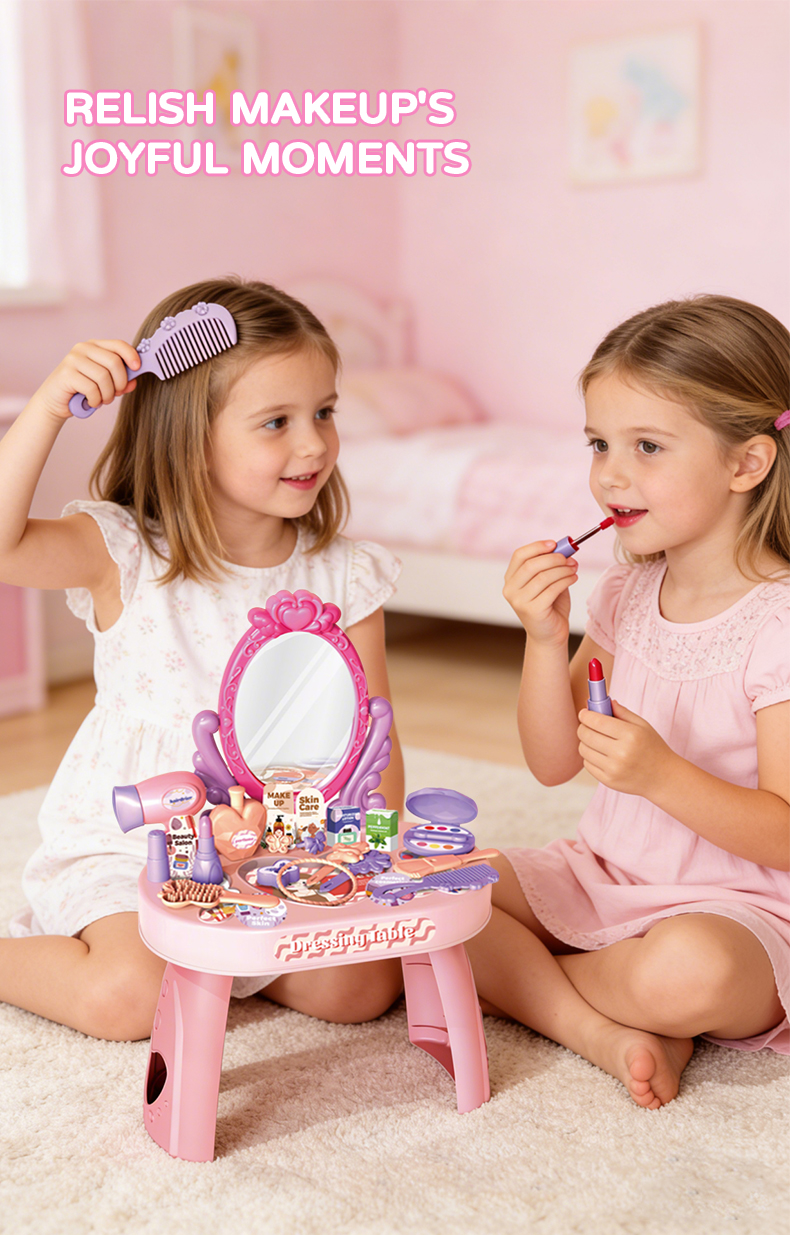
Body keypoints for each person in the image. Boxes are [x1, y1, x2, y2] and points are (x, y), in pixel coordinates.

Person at [0, 277, 405, 1040]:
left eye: (324, 412)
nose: (314, 443)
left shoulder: (347, 574)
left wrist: (359, 849)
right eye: (276, 422)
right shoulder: (122, 551)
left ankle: (221, 954)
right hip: (134, 847)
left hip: (282, 836)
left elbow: (372, 741)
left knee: (360, 985)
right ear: (190, 433)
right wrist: (51, 404)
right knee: (130, 996)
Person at [465, 295, 790, 1109]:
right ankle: (602, 1027)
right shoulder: (628, 590)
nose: (610, 474)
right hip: (605, 874)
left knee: (690, 973)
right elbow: (551, 763)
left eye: (647, 446)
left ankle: (554, 992)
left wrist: (661, 775)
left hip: (742, 912)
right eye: (599, 443)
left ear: (746, 463)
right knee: (435, 890)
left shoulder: (780, 624)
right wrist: (544, 639)